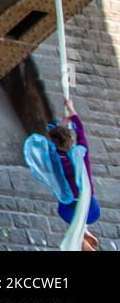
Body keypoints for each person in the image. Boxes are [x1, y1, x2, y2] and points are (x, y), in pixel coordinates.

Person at [46, 98, 101, 250]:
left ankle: (83, 235)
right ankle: (84, 230)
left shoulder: (56, 159)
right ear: (71, 139)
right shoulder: (82, 152)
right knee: (79, 213)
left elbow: (52, 148)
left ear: (55, 143)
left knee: (65, 210)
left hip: (70, 207)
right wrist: (71, 111)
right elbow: (80, 131)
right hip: (91, 208)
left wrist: (58, 126)